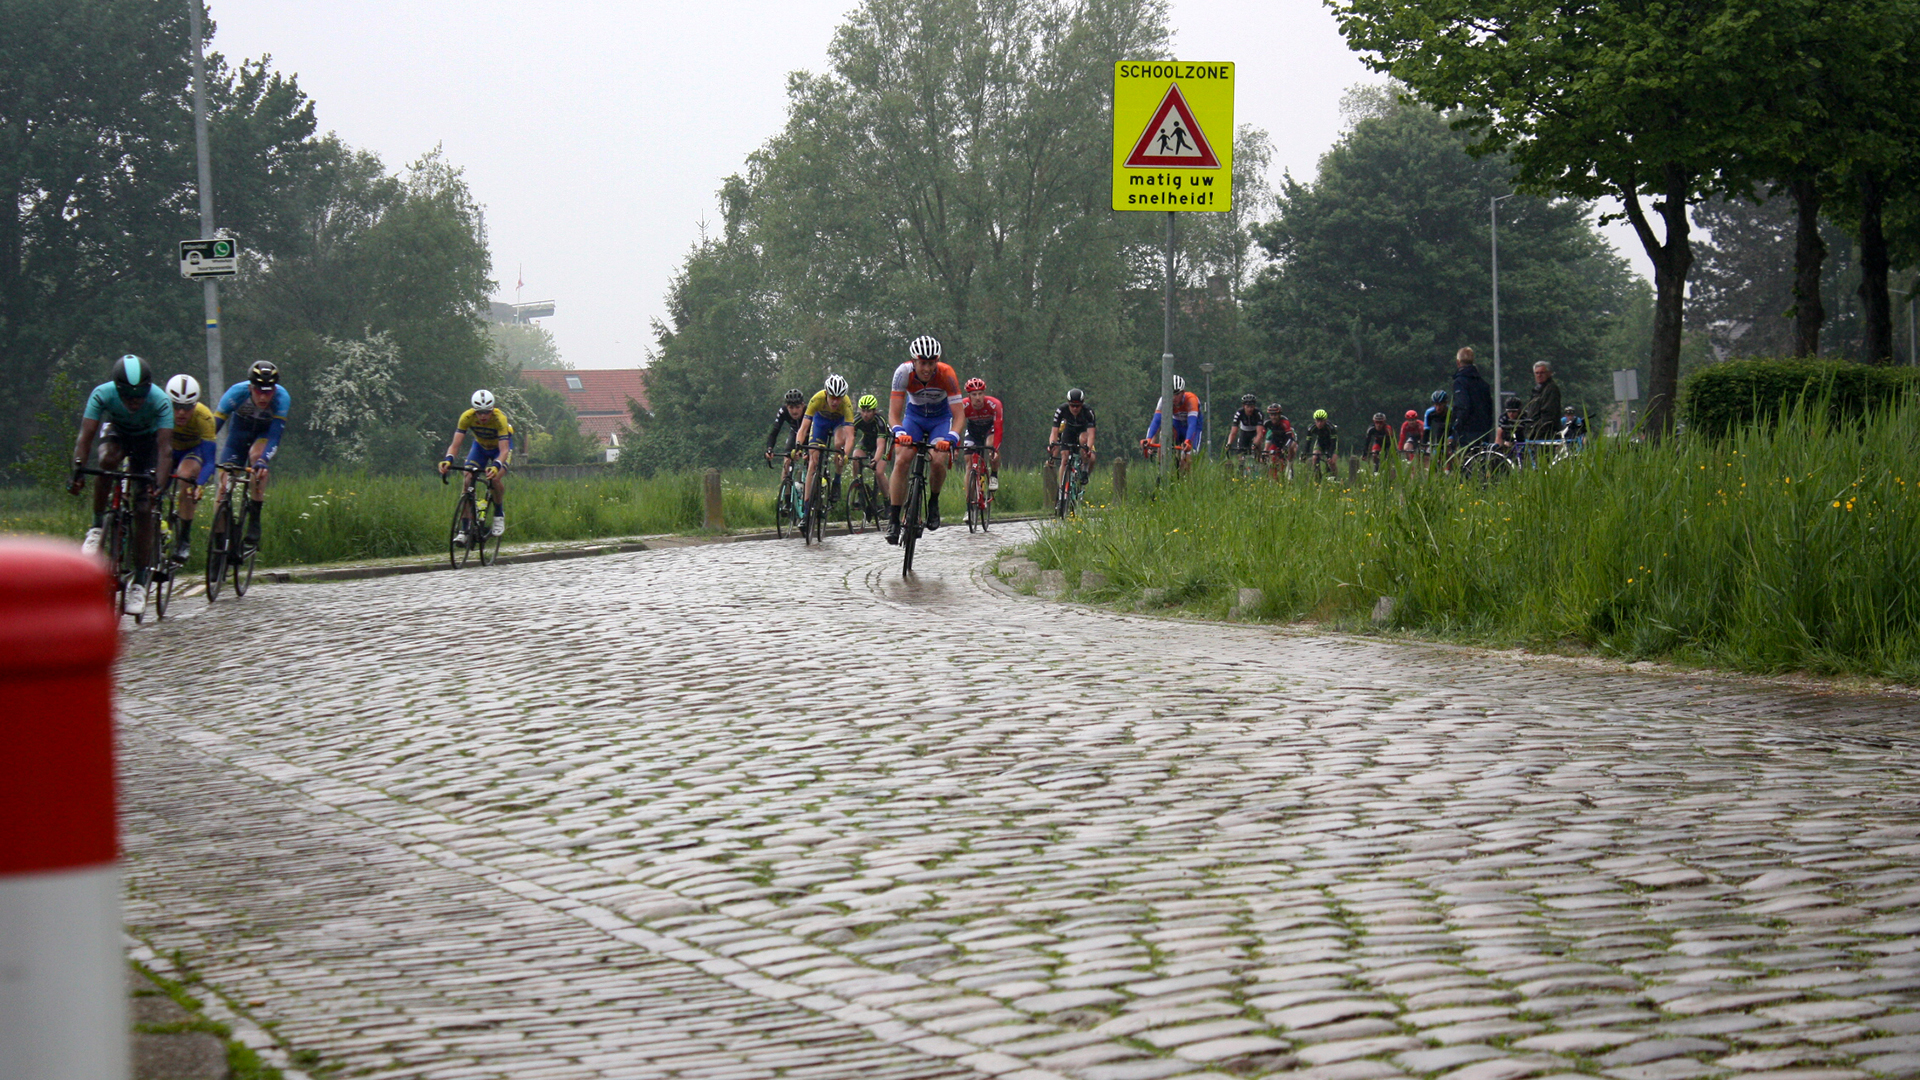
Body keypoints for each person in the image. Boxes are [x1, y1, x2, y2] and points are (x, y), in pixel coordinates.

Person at [69, 355, 174, 614]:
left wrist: (157, 485)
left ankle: (139, 581)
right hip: (117, 433)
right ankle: (96, 526)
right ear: (117, 390)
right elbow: (86, 437)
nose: (135, 403)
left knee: (142, 508)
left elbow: (165, 450)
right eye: (128, 397)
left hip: (147, 444)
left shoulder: (160, 401)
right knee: (106, 461)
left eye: (140, 397)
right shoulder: (102, 394)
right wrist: (78, 470)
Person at [887, 335, 965, 542]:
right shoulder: (902, 372)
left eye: (931, 363)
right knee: (902, 458)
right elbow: (894, 415)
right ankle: (894, 519)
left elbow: (959, 416)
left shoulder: (947, 374)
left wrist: (951, 438)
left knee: (938, 459)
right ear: (914, 361)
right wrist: (899, 432)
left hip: (940, 419)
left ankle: (933, 501)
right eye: (923, 363)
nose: (927, 369)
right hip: (914, 417)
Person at [212, 360, 290, 551]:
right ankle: (218, 546)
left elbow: (274, 436)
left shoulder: (282, 398)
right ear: (250, 387)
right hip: (238, 437)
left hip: (264, 435)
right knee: (222, 489)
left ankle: (254, 518)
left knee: (256, 457)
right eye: (259, 391)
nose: (264, 397)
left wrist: (264, 460)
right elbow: (214, 427)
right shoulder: (235, 393)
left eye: (268, 391)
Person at [438, 389, 513, 538]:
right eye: (479, 412)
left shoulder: (500, 419)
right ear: (474, 410)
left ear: (492, 409)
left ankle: (498, 513)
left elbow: (504, 451)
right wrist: (448, 459)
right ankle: (464, 529)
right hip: (480, 447)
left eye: (487, 412)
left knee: (495, 478)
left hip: (499, 449)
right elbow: (455, 445)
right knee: (467, 479)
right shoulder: (466, 417)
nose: (483, 416)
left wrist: (497, 465)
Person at [163, 374, 219, 563]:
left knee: (184, 477)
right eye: (176, 406)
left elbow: (210, 461)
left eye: (187, 407)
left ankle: (184, 540)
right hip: (168, 450)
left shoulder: (204, 417)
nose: (181, 413)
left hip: (191, 451)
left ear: (195, 405)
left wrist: (200, 484)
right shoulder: (160, 410)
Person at [799, 374, 857, 517]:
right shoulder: (817, 399)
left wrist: (846, 455)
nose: (835, 401)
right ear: (826, 393)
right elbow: (804, 428)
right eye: (832, 397)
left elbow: (850, 436)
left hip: (838, 423)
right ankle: (806, 511)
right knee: (813, 461)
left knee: (839, 442)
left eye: (839, 398)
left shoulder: (847, 404)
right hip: (820, 423)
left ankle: (837, 480)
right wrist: (798, 446)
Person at [1143, 375, 1202, 474]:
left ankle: (1185, 480)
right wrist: (1148, 439)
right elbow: (1156, 421)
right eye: (1171, 394)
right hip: (1177, 424)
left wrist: (1188, 441)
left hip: (1192, 428)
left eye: (1177, 394)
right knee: (1164, 436)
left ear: (1183, 392)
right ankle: (1162, 470)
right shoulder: (1163, 400)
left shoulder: (1191, 400)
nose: (1173, 397)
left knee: (1189, 456)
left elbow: (1192, 424)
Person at [960, 377, 1004, 491]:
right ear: (969, 396)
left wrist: (995, 448)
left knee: (991, 447)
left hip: (990, 429)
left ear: (984, 394)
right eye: (974, 394)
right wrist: (956, 445)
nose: (978, 398)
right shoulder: (963, 406)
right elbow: (958, 426)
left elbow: (999, 428)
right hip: (973, 431)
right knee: (969, 464)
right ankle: (969, 503)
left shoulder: (994, 404)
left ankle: (994, 475)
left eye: (980, 394)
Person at [849, 394, 891, 508]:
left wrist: (875, 460)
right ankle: (859, 490)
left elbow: (881, 445)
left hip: (883, 442)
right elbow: (850, 438)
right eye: (863, 411)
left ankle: (888, 502)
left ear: (874, 411)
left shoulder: (880, 421)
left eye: (868, 411)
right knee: (855, 458)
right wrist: (844, 454)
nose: (865, 414)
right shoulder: (857, 420)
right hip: (867, 441)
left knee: (879, 472)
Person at [1450, 346, 1495, 449]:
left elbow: (1463, 406)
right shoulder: (1483, 383)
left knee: (1465, 461)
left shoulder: (1460, 382)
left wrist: (1457, 426)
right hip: (1483, 430)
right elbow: (1489, 408)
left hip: (1467, 431)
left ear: (1458, 362)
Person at [763, 388, 807, 484]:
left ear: (803, 405)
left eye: (797, 407)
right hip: (794, 433)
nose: (794, 411)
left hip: (809, 435)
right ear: (787, 407)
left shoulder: (808, 411)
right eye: (791, 407)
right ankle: (785, 494)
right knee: (787, 460)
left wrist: (803, 451)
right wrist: (769, 449)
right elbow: (774, 432)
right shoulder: (783, 411)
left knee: (811, 459)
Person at [1049, 388, 1097, 469]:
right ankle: (1062, 482)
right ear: (1068, 403)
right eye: (1072, 405)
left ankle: (1085, 466)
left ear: (1082, 404)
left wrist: (1088, 449)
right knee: (1064, 459)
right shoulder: (1061, 410)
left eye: (1078, 406)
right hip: (1069, 430)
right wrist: (1052, 445)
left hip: (1083, 431)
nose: (1075, 408)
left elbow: (1091, 434)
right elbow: (1054, 431)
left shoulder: (1088, 412)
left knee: (1083, 440)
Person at [1520, 361, 1562, 441]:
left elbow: (1548, 414)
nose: (1539, 375)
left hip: (1545, 435)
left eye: (1542, 373)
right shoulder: (1537, 390)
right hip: (1534, 433)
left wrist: (1538, 431)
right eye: (1537, 373)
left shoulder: (1551, 389)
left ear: (1549, 373)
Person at [1261, 403, 1295, 479]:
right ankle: (1272, 478)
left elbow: (1290, 438)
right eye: (1271, 415)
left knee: (1290, 450)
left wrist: (1285, 447)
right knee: (1272, 458)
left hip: (1286, 441)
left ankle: (1289, 468)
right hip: (1275, 441)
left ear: (1279, 415)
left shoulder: (1285, 422)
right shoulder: (1267, 423)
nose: (1273, 417)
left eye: (1275, 415)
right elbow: (1261, 437)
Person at [1226, 394, 1264, 460]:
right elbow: (1233, 432)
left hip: (1255, 433)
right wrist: (1229, 444)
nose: (1250, 409)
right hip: (1244, 433)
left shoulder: (1258, 413)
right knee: (1240, 456)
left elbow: (1259, 433)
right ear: (1243, 406)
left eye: (1252, 407)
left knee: (1257, 448)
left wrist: (1255, 444)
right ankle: (1241, 467)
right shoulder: (1239, 413)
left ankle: (1259, 463)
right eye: (1248, 407)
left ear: (1254, 406)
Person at [1304, 410, 1338, 479]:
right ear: (1315, 420)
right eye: (1317, 421)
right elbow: (1308, 442)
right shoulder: (1311, 428)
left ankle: (1335, 478)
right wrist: (1305, 453)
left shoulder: (1331, 428)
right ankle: (1317, 477)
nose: (1319, 423)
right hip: (1320, 442)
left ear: (1325, 420)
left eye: (1321, 421)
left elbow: (1333, 443)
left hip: (1331, 443)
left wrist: (1330, 455)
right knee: (1315, 458)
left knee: (1332, 462)